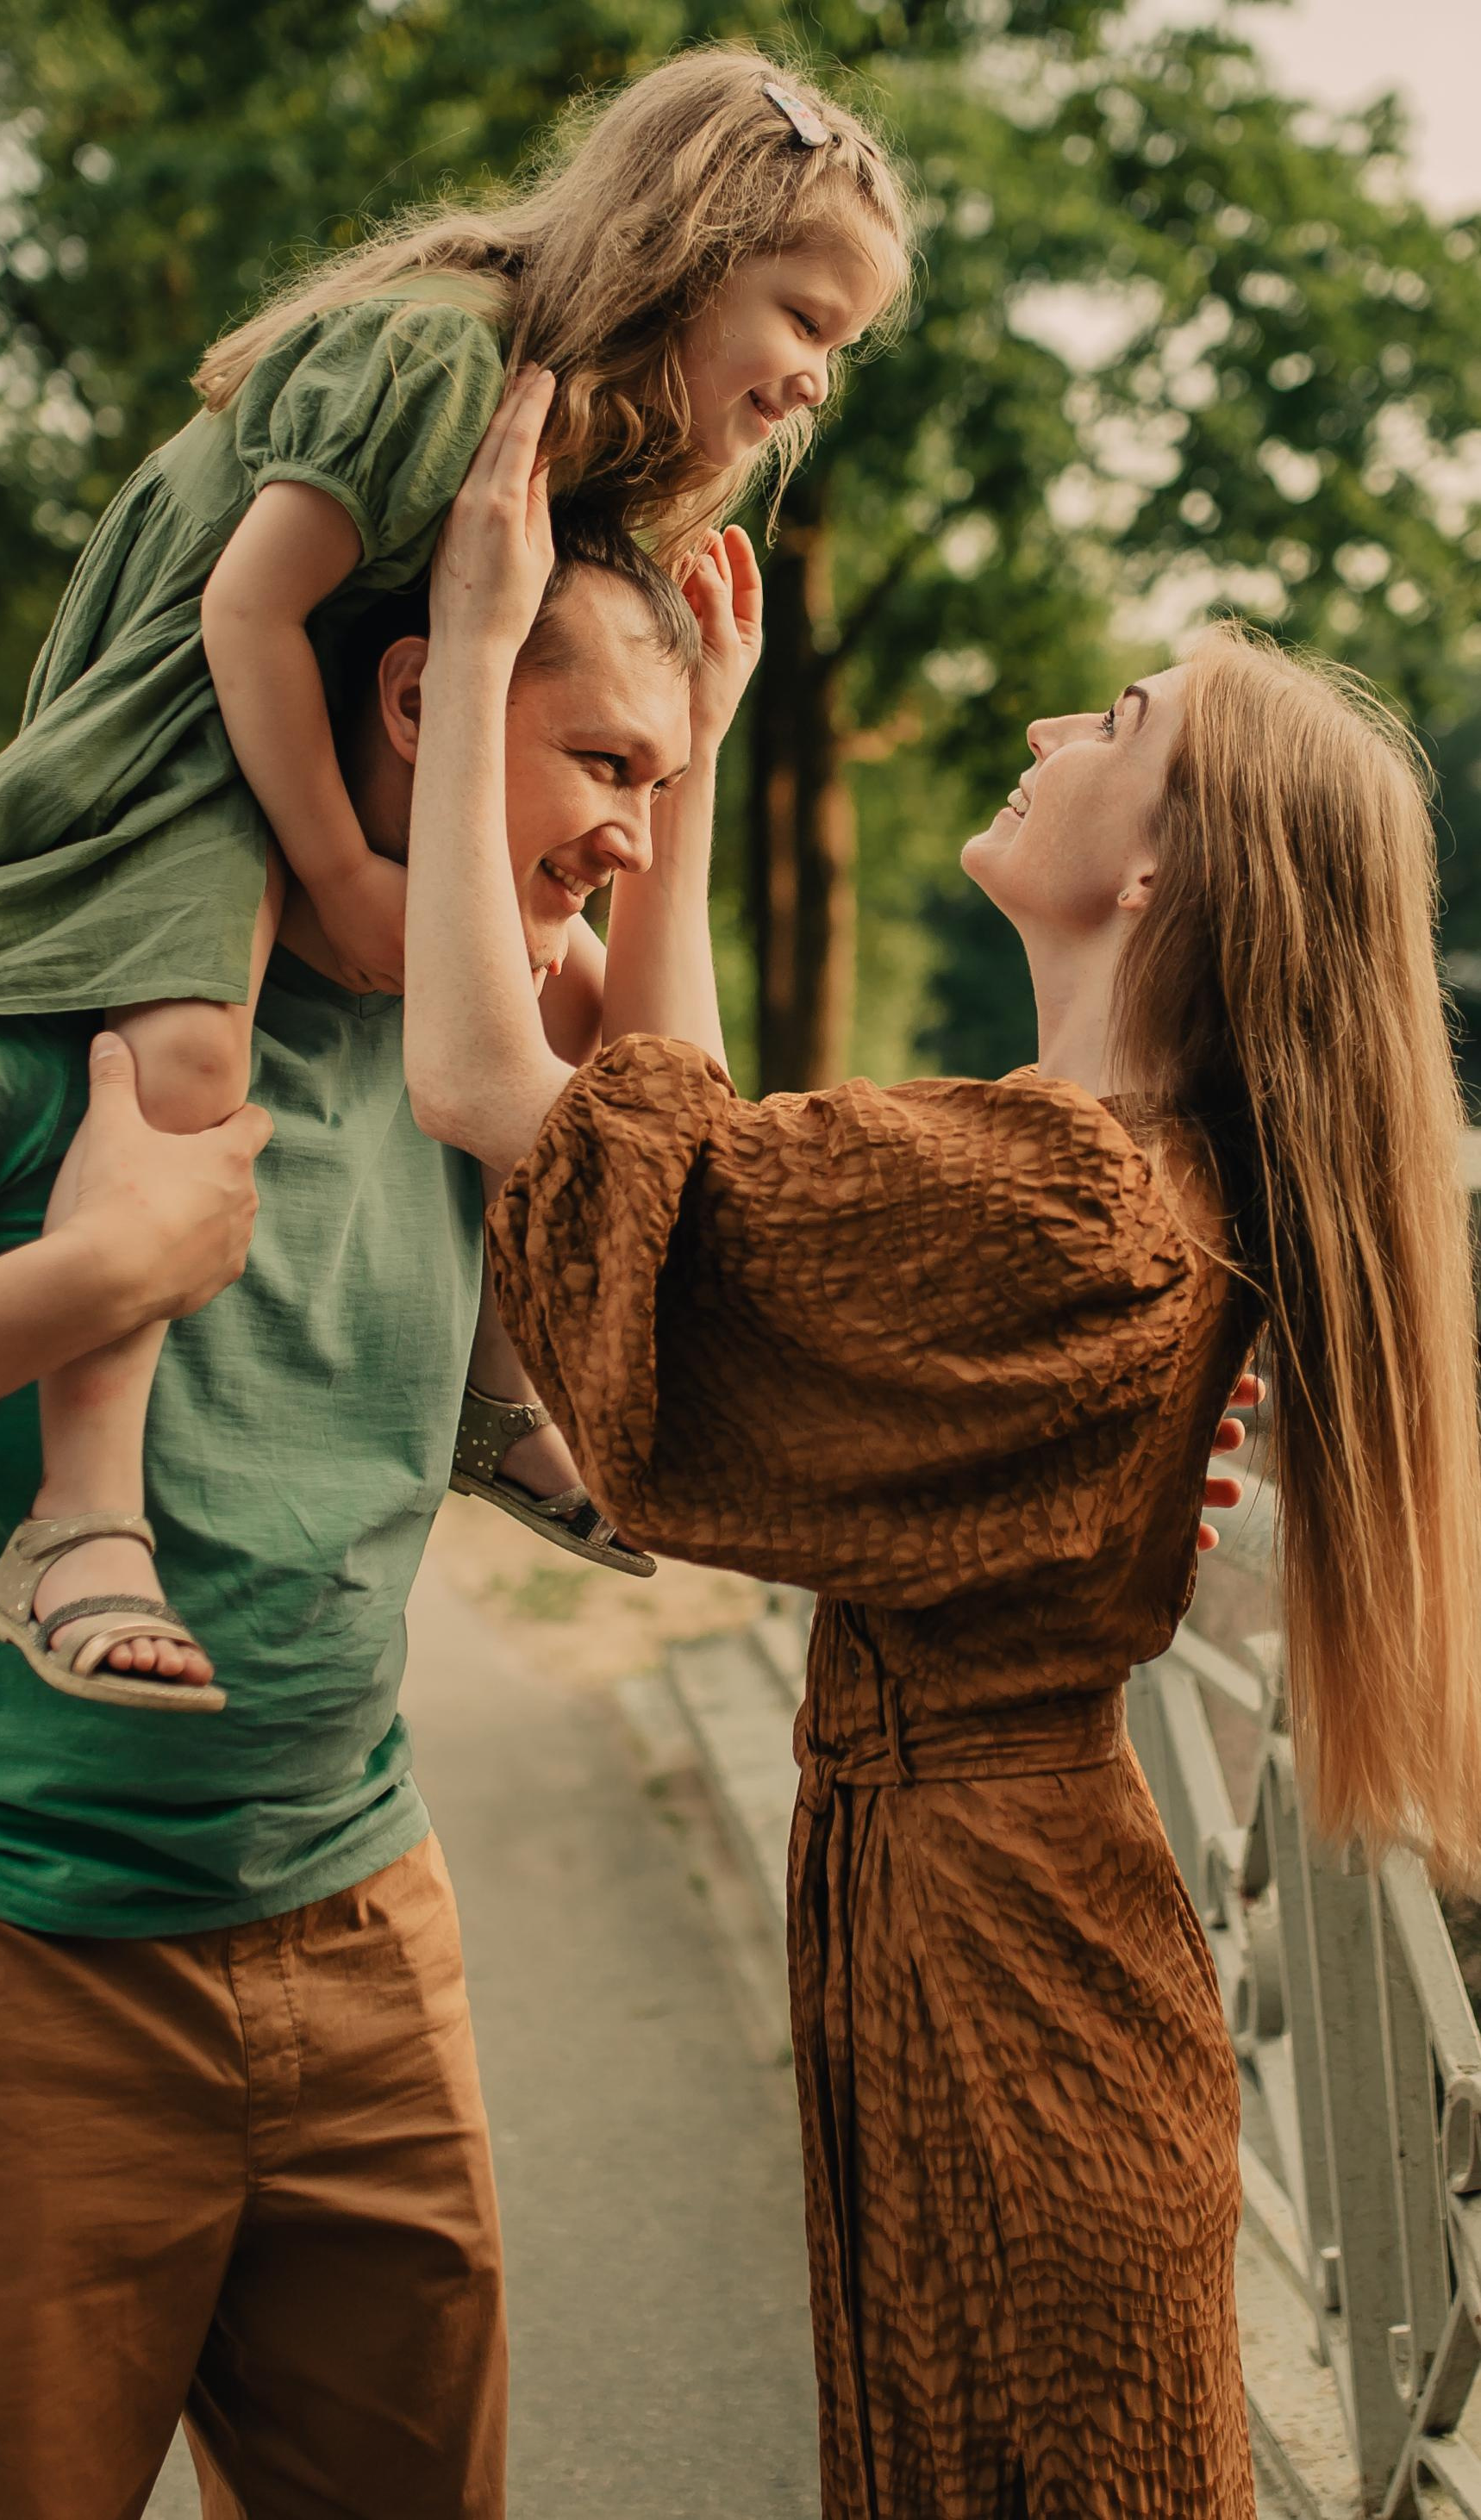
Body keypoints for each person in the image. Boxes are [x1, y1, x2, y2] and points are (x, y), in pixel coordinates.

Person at [400, 376, 1481, 2517]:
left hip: (1006, 1971)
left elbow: (493, 1093)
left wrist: (478, 650)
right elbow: (686, 1176)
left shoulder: (1065, 1203)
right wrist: (697, 766)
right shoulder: (1086, 1165)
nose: (1057, 724)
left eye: (1118, 721)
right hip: (981, 1926)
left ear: (1162, 866)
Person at [0, 508, 727, 2519]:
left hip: (358, 1925)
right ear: (418, 698)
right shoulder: (14, 986)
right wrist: (87, 1279)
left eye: (663, 785)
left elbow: (682, 1164)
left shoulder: (476, 1030)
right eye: (604, 762)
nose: (630, 835)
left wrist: (688, 764)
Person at [0, 50, 913, 1702]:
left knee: (558, 1039)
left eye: (843, 345)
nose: (815, 377)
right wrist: (337, 862)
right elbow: (244, 615)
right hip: (173, 740)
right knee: (188, 1055)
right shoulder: (442, 358)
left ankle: (494, 1390)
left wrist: (681, 760)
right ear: (688, 253)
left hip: (289, 733)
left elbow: (653, 1102)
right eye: (804, 320)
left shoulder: (576, 443)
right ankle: (82, 1514)